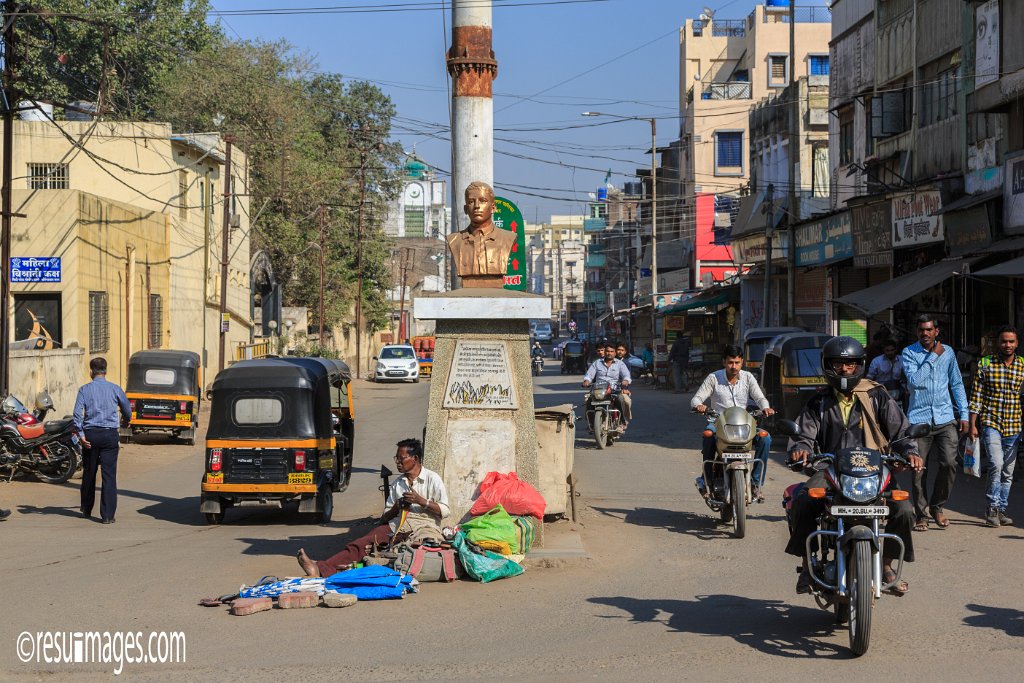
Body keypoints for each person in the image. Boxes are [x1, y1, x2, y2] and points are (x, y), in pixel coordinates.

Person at [787, 336, 922, 595]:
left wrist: (910, 452)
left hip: (874, 470)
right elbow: (804, 434)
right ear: (828, 366)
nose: (845, 370)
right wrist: (801, 450)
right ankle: (807, 566)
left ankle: (886, 564)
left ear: (859, 365)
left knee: (904, 509)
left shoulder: (877, 396)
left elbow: (901, 431)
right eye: (838, 364)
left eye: (850, 365)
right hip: (830, 469)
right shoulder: (820, 401)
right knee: (804, 501)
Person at [297, 438, 449, 577]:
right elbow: (385, 517)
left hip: (423, 526)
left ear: (415, 458)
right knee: (363, 544)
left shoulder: (432, 479)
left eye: (401, 458)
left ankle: (329, 569)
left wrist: (422, 501)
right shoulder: (398, 483)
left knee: (407, 551)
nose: (397, 462)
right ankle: (320, 569)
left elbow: (444, 511)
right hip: (397, 525)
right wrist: (397, 507)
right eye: (396, 458)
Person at [901, 315, 969, 531]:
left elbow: (956, 383)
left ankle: (937, 507)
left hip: (945, 417)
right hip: (919, 420)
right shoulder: (909, 353)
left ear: (936, 331)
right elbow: (914, 381)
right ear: (917, 331)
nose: (925, 334)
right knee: (918, 469)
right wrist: (931, 357)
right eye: (921, 330)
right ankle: (921, 514)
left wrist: (964, 414)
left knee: (949, 463)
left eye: (929, 330)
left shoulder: (947, 352)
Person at [690, 344, 775, 500]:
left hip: (743, 425)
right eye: (730, 362)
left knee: (765, 438)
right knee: (708, 436)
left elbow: (760, 398)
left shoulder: (749, 378)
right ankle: (707, 480)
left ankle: (756, 484)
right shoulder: (713, 378)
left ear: (742, 362)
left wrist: (765, 408)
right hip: (719, 423)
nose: (733, 366)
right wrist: (699, 405)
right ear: (724, 362)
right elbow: (696, 398)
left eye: (737, 362)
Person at [968, 325, 1024, 528]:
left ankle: (1002, 509)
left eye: (1011, 341)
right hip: (991, 422)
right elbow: (976, 397)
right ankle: (992, 507)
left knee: (1008, 472)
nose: (1007, 345)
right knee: (996, 464)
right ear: (997, 343)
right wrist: (972, 424)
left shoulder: (1022, 366)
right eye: (1004, 341)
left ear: (1017, 343)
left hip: (1014, 426)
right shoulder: (986, 364)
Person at [73, 357, 132, 524]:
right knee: (109, 476)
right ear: (105, 371)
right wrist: (127, 420)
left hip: (90, 435)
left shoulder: (84, 390)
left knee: (89, 473)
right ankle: (107, 515)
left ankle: (86, 508)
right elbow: (127, 409)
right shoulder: (115, 389)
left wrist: (81, 436)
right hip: (109, 436)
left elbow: (77, 415)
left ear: (91, 371)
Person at [445, 181, 517, 288]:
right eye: (471, 202)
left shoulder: (507, 238)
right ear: (465, 209)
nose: (477, 206)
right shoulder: (454, 240)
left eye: (483, 201)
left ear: (493, 208)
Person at [582, 341, 632, 427]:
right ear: (605, 352)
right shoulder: (597, 363)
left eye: (612, 351)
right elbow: (589, 375)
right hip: (599, 390)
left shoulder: (620, 364)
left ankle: (622, 421)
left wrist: (625, 381)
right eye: (607, 351)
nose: (609, 353)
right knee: (589, 401)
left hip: (614, 390)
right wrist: (586, 381)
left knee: (621, 400)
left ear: (615, 353)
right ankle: (591, 423)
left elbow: (626, 375)